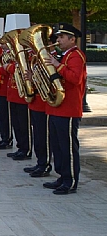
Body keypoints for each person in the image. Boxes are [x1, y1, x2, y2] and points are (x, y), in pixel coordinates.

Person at [43, 23, 87, 195]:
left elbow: (75, 79)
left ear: (72, 39)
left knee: (67, 146)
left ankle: (71, 181)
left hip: (68, 108)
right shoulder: (65, 55)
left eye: (62, 37)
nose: (58, 40)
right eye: (59, 37)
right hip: (57, 106)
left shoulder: (76, 56)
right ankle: (62, 176)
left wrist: (57, 65)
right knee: (58, 145)